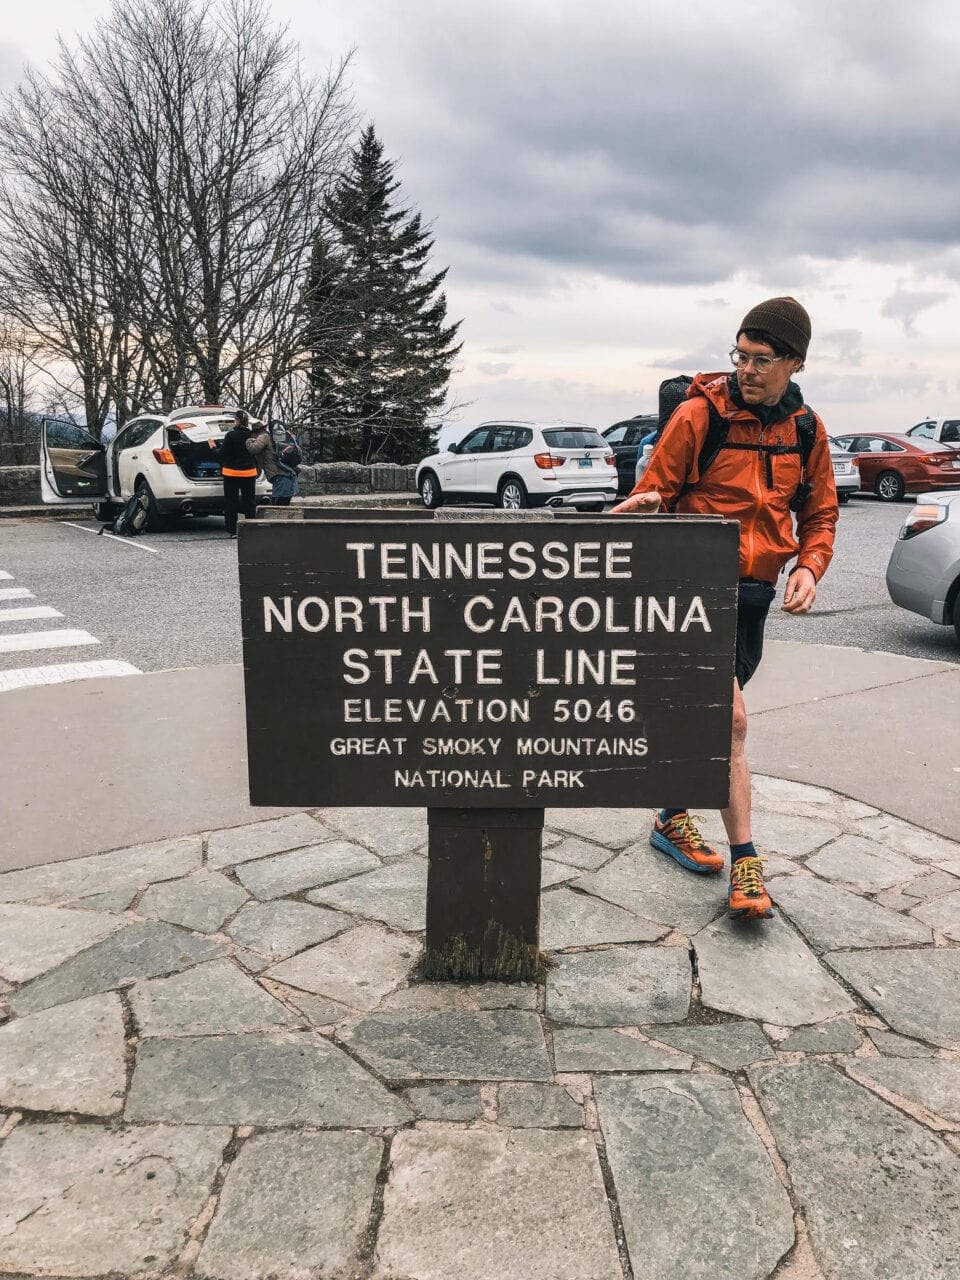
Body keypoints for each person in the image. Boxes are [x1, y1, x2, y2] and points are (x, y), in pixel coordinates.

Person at [611, 297, 838, 921]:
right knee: (731, 722)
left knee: (703, 718)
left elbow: (819, 513)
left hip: (752, 594)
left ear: (794, 363)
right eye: (739, 355)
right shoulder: (697, 415)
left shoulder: (807, 431)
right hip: (691, 589)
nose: (747, 369)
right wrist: (648, 506)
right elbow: (655, 490)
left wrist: (810, 568)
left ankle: (668, 816)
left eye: (762, 359)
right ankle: (747, 864)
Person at [219, 409, 259, 536]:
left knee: (231, 502)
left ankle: (232, 531)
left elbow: (222, 454)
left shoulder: (230, 435)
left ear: (237, 421)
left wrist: (213, 448)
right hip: (249, 473)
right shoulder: (252, 435)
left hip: (231, 473)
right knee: (250, 502)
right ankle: (251, 528)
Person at [246, 420, 299, 507]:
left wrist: (248, 440)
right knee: (281, 506)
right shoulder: (270, 437)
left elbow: (253, 449)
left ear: (255, 432)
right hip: (286, 475)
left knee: (279, 509)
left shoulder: (263, 436)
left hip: (281, 476)